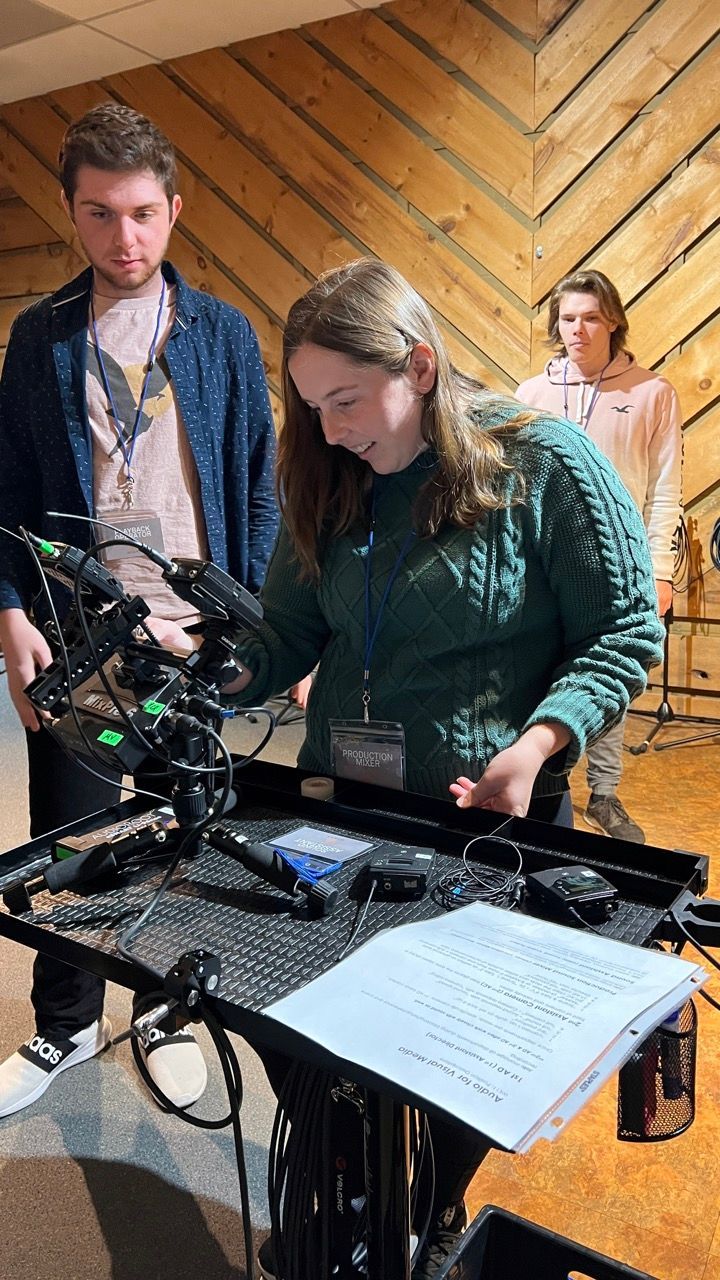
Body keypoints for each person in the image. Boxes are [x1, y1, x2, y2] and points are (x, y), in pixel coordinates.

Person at [218, 258, 664, 1278]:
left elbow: (624, 629)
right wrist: (217, 672)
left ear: (419, 365)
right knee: (305, 1031)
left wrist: (540, 740)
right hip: (341, 805)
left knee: (446, 1065)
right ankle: (352, 1186)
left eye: (344, 398)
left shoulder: (544, 461)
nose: (328, 428)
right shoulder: (327, 471)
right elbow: (287, 630)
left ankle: (434, 1200)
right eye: (310, 403)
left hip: (486, 826)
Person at [0, 103, 279, 1118]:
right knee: (72, 840)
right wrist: (7, 613)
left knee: (187, 836)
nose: (125, 239)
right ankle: (65, 1022)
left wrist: (262, 624)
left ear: (174, 209)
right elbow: (6, 497)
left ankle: (165, 1009)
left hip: (195, 639)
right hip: (82, 640)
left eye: (144, 213)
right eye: (100, 213)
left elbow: (258, 488)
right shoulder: (38, 339)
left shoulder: (226, 334)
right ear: (72, 213)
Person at [515, 269, 682, 843]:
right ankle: (540, 784)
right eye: (567, 319)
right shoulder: (532, 395)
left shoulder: (652, 393)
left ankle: (605, 793)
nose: (578, 330)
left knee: (610, 676)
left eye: (590, 317)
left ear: (612, 320)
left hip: (621, 565)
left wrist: (659, 573)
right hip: (542, 568)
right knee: (538, 674)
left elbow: (665, 491)